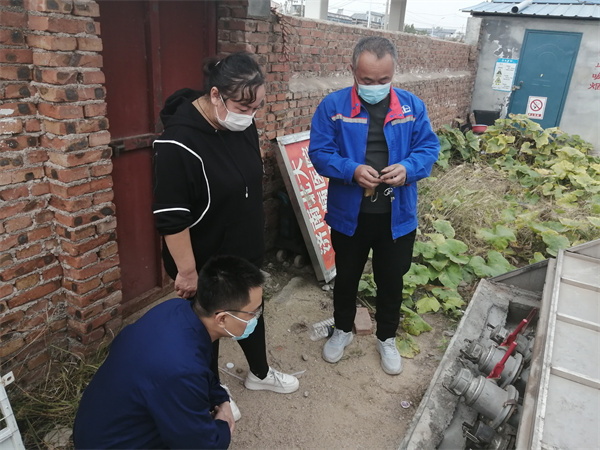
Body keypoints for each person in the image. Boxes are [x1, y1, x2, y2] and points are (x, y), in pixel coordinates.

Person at [151, 52, 299, 412]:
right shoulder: (176, 143)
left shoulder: (241, 123)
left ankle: (260, 373)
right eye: (244, 107)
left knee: (251, 313)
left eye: (256, 107)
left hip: (243, 252)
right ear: (215, 95)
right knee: (209, 330)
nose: (250, 116)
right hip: (205, 261)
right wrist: (188, 272)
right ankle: (212, 394)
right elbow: (171, 218)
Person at [308, 36, 440, 375]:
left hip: (397, 215)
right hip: (350, 215)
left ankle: (387, 337)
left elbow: (428, 149)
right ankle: (342, 329)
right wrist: (351, 170)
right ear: (352, 70)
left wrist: (408, 168)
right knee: (347, 277)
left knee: (391, 280)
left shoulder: (412, 107)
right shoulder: (333, 106)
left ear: (394, 72)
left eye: (384, 79)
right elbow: (320, 152)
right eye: (367, 80)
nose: (375, 87)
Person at [73, 255, 264, 449]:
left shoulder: (175, 309)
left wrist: (221, 399)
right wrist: (222, 426)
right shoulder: (182, 370)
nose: (256, 317)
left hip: (97, 427)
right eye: (253, 312)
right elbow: (201, 445)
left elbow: (202, 374)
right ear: (222, 319)